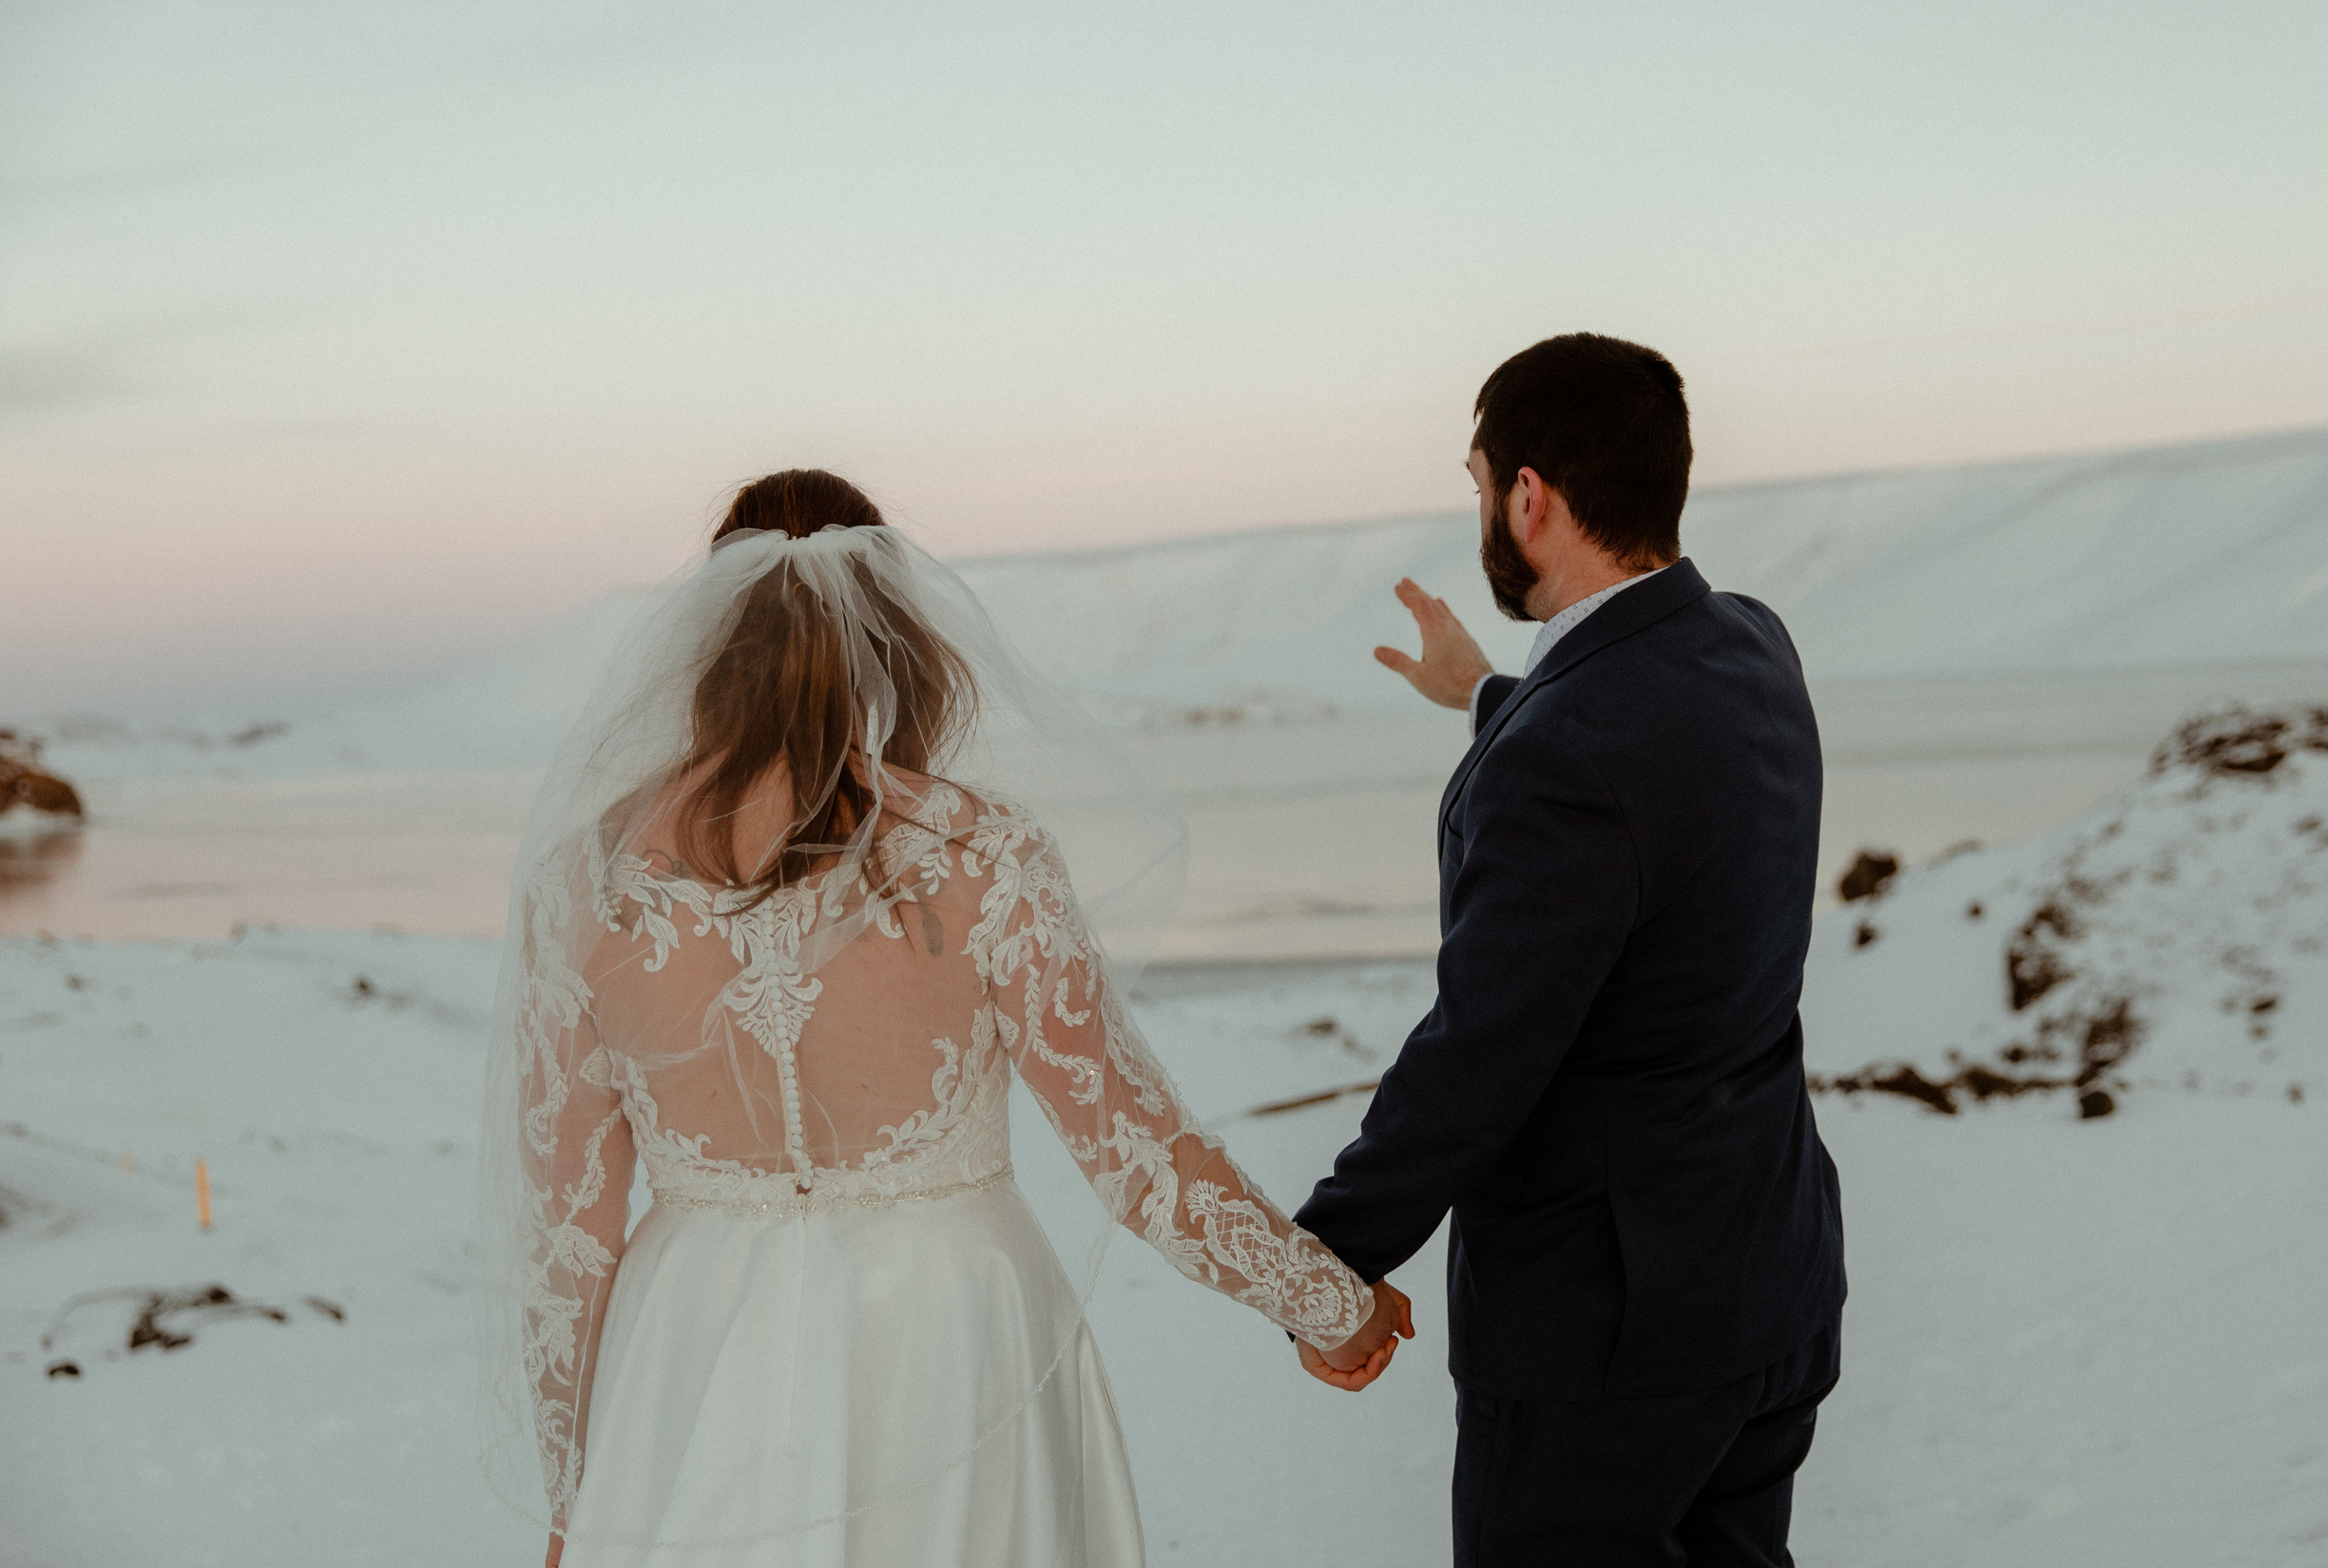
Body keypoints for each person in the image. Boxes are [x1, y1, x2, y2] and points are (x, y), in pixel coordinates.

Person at [476, 469, 1413, 1567]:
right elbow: (1136, 1152)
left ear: (709, 634)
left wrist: (576, 1490)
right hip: (945, 1327)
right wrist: (1321, 1304)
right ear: (888, 629)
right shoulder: (983, 854)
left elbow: (568, 1234)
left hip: (685, 1343)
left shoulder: (584, 880)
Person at [1295, 334, 1848, 1566]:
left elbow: (1482, 1049)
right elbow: (1642, 779)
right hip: (1767, 1282)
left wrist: (1325, 1257)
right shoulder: (1753, 643)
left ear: (1529, 496)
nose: (1483, 509)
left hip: (1609, 1340)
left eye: (1481, 481)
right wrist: (1495, 693)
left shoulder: (1569, 754)